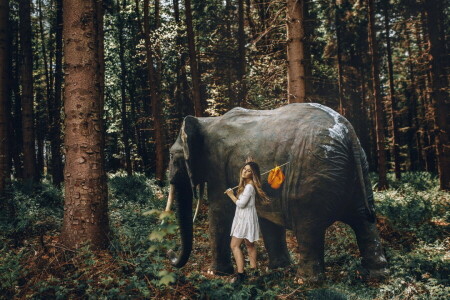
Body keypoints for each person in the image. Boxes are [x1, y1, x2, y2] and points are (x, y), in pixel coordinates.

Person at [225, 161, 270, 284]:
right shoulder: (247, 185)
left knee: (234, 246)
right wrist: (249, 162)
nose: (245, 171)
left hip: (245, 219)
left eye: (249, 170)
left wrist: (230, 195)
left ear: (253, 174)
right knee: (250, 245)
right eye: (244, 169)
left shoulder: (249, 186)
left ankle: (241, 275)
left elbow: (241, 204)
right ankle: (254, 273)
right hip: (246, 217)